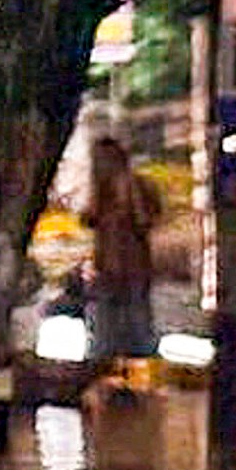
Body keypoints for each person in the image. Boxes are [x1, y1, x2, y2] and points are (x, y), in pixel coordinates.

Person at [79, 133, 158, 377]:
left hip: (133, 273)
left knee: (136, 334)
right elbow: (87, 219)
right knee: (104, 339)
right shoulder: (100, 194)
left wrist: (129, 186)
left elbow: (146, 220)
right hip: (106, 276)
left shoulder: (137, 187)